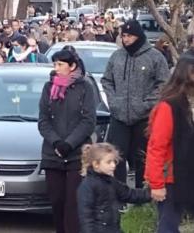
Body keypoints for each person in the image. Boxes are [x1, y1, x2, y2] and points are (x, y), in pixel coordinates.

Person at [100, 20, 169, 189]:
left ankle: (141, 196)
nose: (126, 39)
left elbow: (163, 84)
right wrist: (114, 101)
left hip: (144, 117)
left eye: (129, 36)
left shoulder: (155, 57)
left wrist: (147, 103)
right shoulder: (117, 56)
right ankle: (118, 196)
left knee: (142, 159)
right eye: (123, 36)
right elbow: (107, 80)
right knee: (115, 158)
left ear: (138, 36)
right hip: (119, 116)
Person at [38, 47, 97, 233]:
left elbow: (88, 121)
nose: (56, 68)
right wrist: (56, 142)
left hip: (77, 153)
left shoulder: (85, 87)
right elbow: (43, 120)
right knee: (56, 200)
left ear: (71, 66)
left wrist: (69, 143)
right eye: (55, 64)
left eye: (60, 64)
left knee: (73, 203)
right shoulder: (48, 87)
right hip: (52, 152)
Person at [145, 52, 194, 231]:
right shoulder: (169, 106)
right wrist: (157, 184)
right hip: (171, 177)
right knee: (168, 225)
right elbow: (157, 146)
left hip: (188, 173)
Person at [77, 143, 150, 233]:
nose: (113, 165)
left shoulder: (112, 182)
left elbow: (129, 194)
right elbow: (86, 217)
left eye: (114, 161)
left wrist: (151, 193)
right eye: (109, 162)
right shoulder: (87, 186)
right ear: (96, 164)